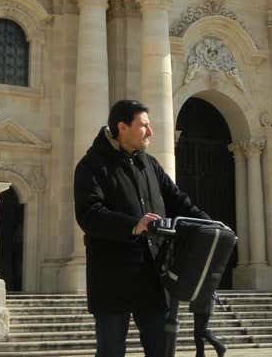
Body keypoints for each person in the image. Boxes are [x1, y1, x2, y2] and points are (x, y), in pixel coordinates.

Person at [74, 100, 209, 357]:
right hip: (112, 279)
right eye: (144, 125)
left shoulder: (150, 165)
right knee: (111, 351)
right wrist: (132, 225)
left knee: (161, 350)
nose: (150, 132)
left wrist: (209, 223)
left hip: (152, 277)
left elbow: (178, 200)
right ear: (122, 127)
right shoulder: (91, 165)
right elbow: (89, 214)